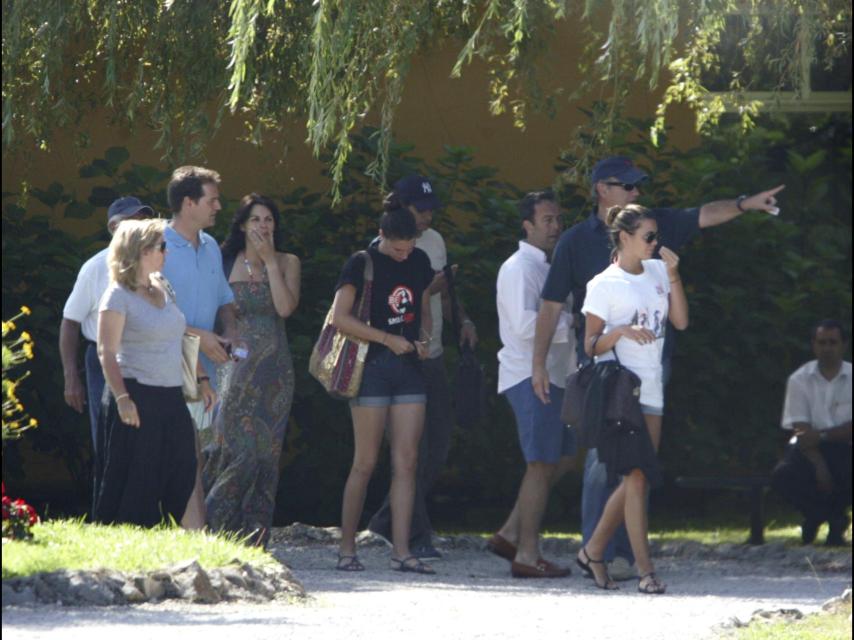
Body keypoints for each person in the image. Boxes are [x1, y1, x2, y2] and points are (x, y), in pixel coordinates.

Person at [532, 156, 784, 579]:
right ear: (601, 190)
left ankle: (622, 555)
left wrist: (744, 203)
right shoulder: (577, 243)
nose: (635, 193)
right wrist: (538, 363)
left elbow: (702, 215)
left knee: (640, 467)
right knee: (602, 464)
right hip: (607, 373)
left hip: (651, 371)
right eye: (626, 186)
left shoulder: (655, 230)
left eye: (637, 186)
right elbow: (552, 305)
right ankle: (601, 552)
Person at [577, 203, 689, 594]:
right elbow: (590, 345)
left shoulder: (659, 270)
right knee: (637, 476)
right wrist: (620, 331)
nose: (656, 244)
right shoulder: (604, 284)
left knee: (640, 475)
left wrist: (673, 276)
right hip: (621, 391)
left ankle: (592, 550)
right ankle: (646, 571)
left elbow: (680, 322)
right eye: (649, 237)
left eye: (657, 236)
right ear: (624, 238)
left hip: (652, 384)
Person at [367, 175, 478, 561]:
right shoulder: (382, 247)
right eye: (421, 209)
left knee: (439, 443)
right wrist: (429, 287)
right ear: (400, 208)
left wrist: (462, 320)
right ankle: (415, 532)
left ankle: (386, 520)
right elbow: (392, 300)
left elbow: (442, 291)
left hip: (430, 354)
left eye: (431, 210)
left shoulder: (435, 242)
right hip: (398, 356)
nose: (428, 217)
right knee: (414, 449)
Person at [332, 207, 436, 575]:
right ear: (382, 236)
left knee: (407, 462)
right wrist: (387, 339)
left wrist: (424, 339)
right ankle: (346, 548)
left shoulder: (419, 260)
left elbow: (422, 307)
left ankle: (403, 550)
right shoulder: (361, 263)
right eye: (396, 250)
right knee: (365, 461)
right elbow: (340, 317)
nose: (403, 255)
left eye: (408, 249)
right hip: (371, 367)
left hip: (409, 368)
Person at [93, 219, 215, 526]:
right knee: (138, 475)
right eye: (161, 247)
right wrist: (122, 398)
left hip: (170, 394)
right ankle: (131, 540)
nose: (166, 253)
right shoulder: (117, 295)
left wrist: (202, 378)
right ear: (140, 251)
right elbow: (105, 351)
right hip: (136, 392)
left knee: (184, 463)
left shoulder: (162, 284)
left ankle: (187, 535)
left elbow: (179, 337)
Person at [203, 194, 300, 547]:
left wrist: (271, 263)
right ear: (242, 224)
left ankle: (254, 540)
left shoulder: (288, 262)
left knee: (265, 454)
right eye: (256, 219)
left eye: (269, 219)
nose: (263, 226)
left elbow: (286, 308)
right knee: (232, 448)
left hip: (275, 372)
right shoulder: (224, 260)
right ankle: (213, 528)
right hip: (232, 369)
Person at [492, 191, 575, 578]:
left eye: (558, 219)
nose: (555, 226)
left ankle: (511, 533)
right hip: (528, 374)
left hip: (552, 374)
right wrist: (574, 322)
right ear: (527, 225)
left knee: (560, 457)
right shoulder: (518, 268)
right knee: (541, 463)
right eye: (547, 220)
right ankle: (526, 554)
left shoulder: (544, 265)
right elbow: (526, 327)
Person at [60, 196, 154, 506]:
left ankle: (143, 515)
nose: (141, 226)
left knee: (146, 439)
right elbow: (70, 323)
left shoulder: (153, 265)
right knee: (109, 439)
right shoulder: (95, 268)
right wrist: (71, 377)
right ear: (114, 227)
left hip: (145, 359)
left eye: (144, 219)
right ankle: (109, 515)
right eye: (133, 220)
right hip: (103, 360)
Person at [161, 166, 238, 529]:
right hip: (167, 357)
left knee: (201, 453)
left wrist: (231, 330)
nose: (219, 207)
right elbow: (151, 308)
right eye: (212, 200)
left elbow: (225, 298)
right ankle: (196, 533)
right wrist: (198, 336)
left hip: (204, 361)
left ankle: (192, 530)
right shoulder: (155, 243)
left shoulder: (209, 246)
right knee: (185, 452)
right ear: (188, 203)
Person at [771, 319, 852, 546]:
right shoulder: (799, 379)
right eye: (822, 342)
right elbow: (801, 429)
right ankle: (824, 516)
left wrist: (825, 436)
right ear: (814, 345)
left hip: (845, 448)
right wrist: (819, 466)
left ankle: (830, 519)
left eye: (833, 342)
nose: (827, 348)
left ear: (843, 345)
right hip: (807, 449)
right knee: (783, 475)